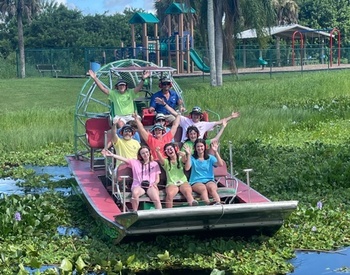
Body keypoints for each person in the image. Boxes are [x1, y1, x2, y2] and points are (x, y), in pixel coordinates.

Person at [102, 145, 162, 211]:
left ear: (149, 153)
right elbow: (123, 159)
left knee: (156, 198)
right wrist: (112, 155)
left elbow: (157, 178)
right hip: (138, 185)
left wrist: (155, 183)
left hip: (150, 185)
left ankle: (161, 214)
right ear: (140, 155)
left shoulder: (155, 164)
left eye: (147, 152)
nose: (145, 154)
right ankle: (135, 212)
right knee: (135, 194)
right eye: (143, 153)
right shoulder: (135, 162)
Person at [156, 101, 239, 142]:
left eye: (197, 114)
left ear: (200, 116)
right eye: (194, 114)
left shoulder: (204, 124)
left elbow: (219, 122)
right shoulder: (185, 120)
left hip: (198, 146)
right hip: (185, 144)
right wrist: (164, 104)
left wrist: (231, 117)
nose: (196, 116)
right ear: (191, 115)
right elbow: (174, 113)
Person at [156, 143, 197, 208]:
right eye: (167, 150)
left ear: (175, 149)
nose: (169, 151)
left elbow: (186, 164)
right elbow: (161, 159)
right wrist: (158, 152)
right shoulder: (166, 162)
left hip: (183, 181)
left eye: (171, 149)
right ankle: (169, 214)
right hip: (171, 183)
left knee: (187, 192)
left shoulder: (180, 159)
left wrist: (186, 155)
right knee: (169, 195)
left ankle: (194, 206)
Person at [184, 139, 223, 205]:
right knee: (203, 189)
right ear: (195, 148)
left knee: (212, 188)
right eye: (198, 146)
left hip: (209, 180)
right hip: (196, 181)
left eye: (201, 146)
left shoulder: (210, 158)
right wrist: (188, 155)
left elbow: (220, 164)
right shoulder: (192, 158)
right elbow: (187, 168)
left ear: (205, 147)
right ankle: (208, 204)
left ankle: (218, 203)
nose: (200, 148)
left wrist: (216, 152)